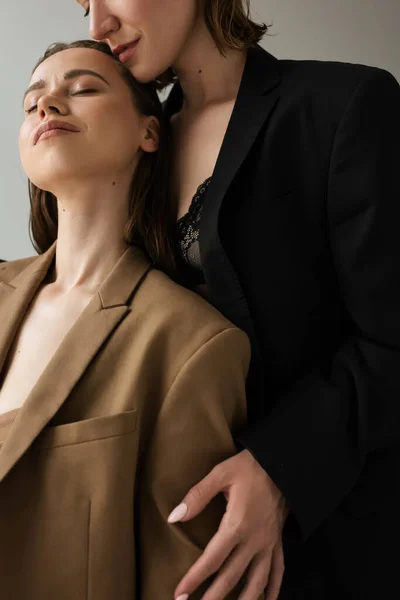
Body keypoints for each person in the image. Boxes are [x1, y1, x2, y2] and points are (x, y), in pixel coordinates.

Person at [75, 1, 400, 599]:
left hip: (334, 546)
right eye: (81, 4)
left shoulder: (343, 105)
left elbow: (391, 340)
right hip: (170, 555)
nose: (97, 26)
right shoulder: (135, 144)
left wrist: (279, 467)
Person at [0, 39, 258, 600]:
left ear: (149, 132)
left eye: (83, 89)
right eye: (31, 103)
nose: (47, 107)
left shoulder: (191, 344)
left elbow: (181, 584)